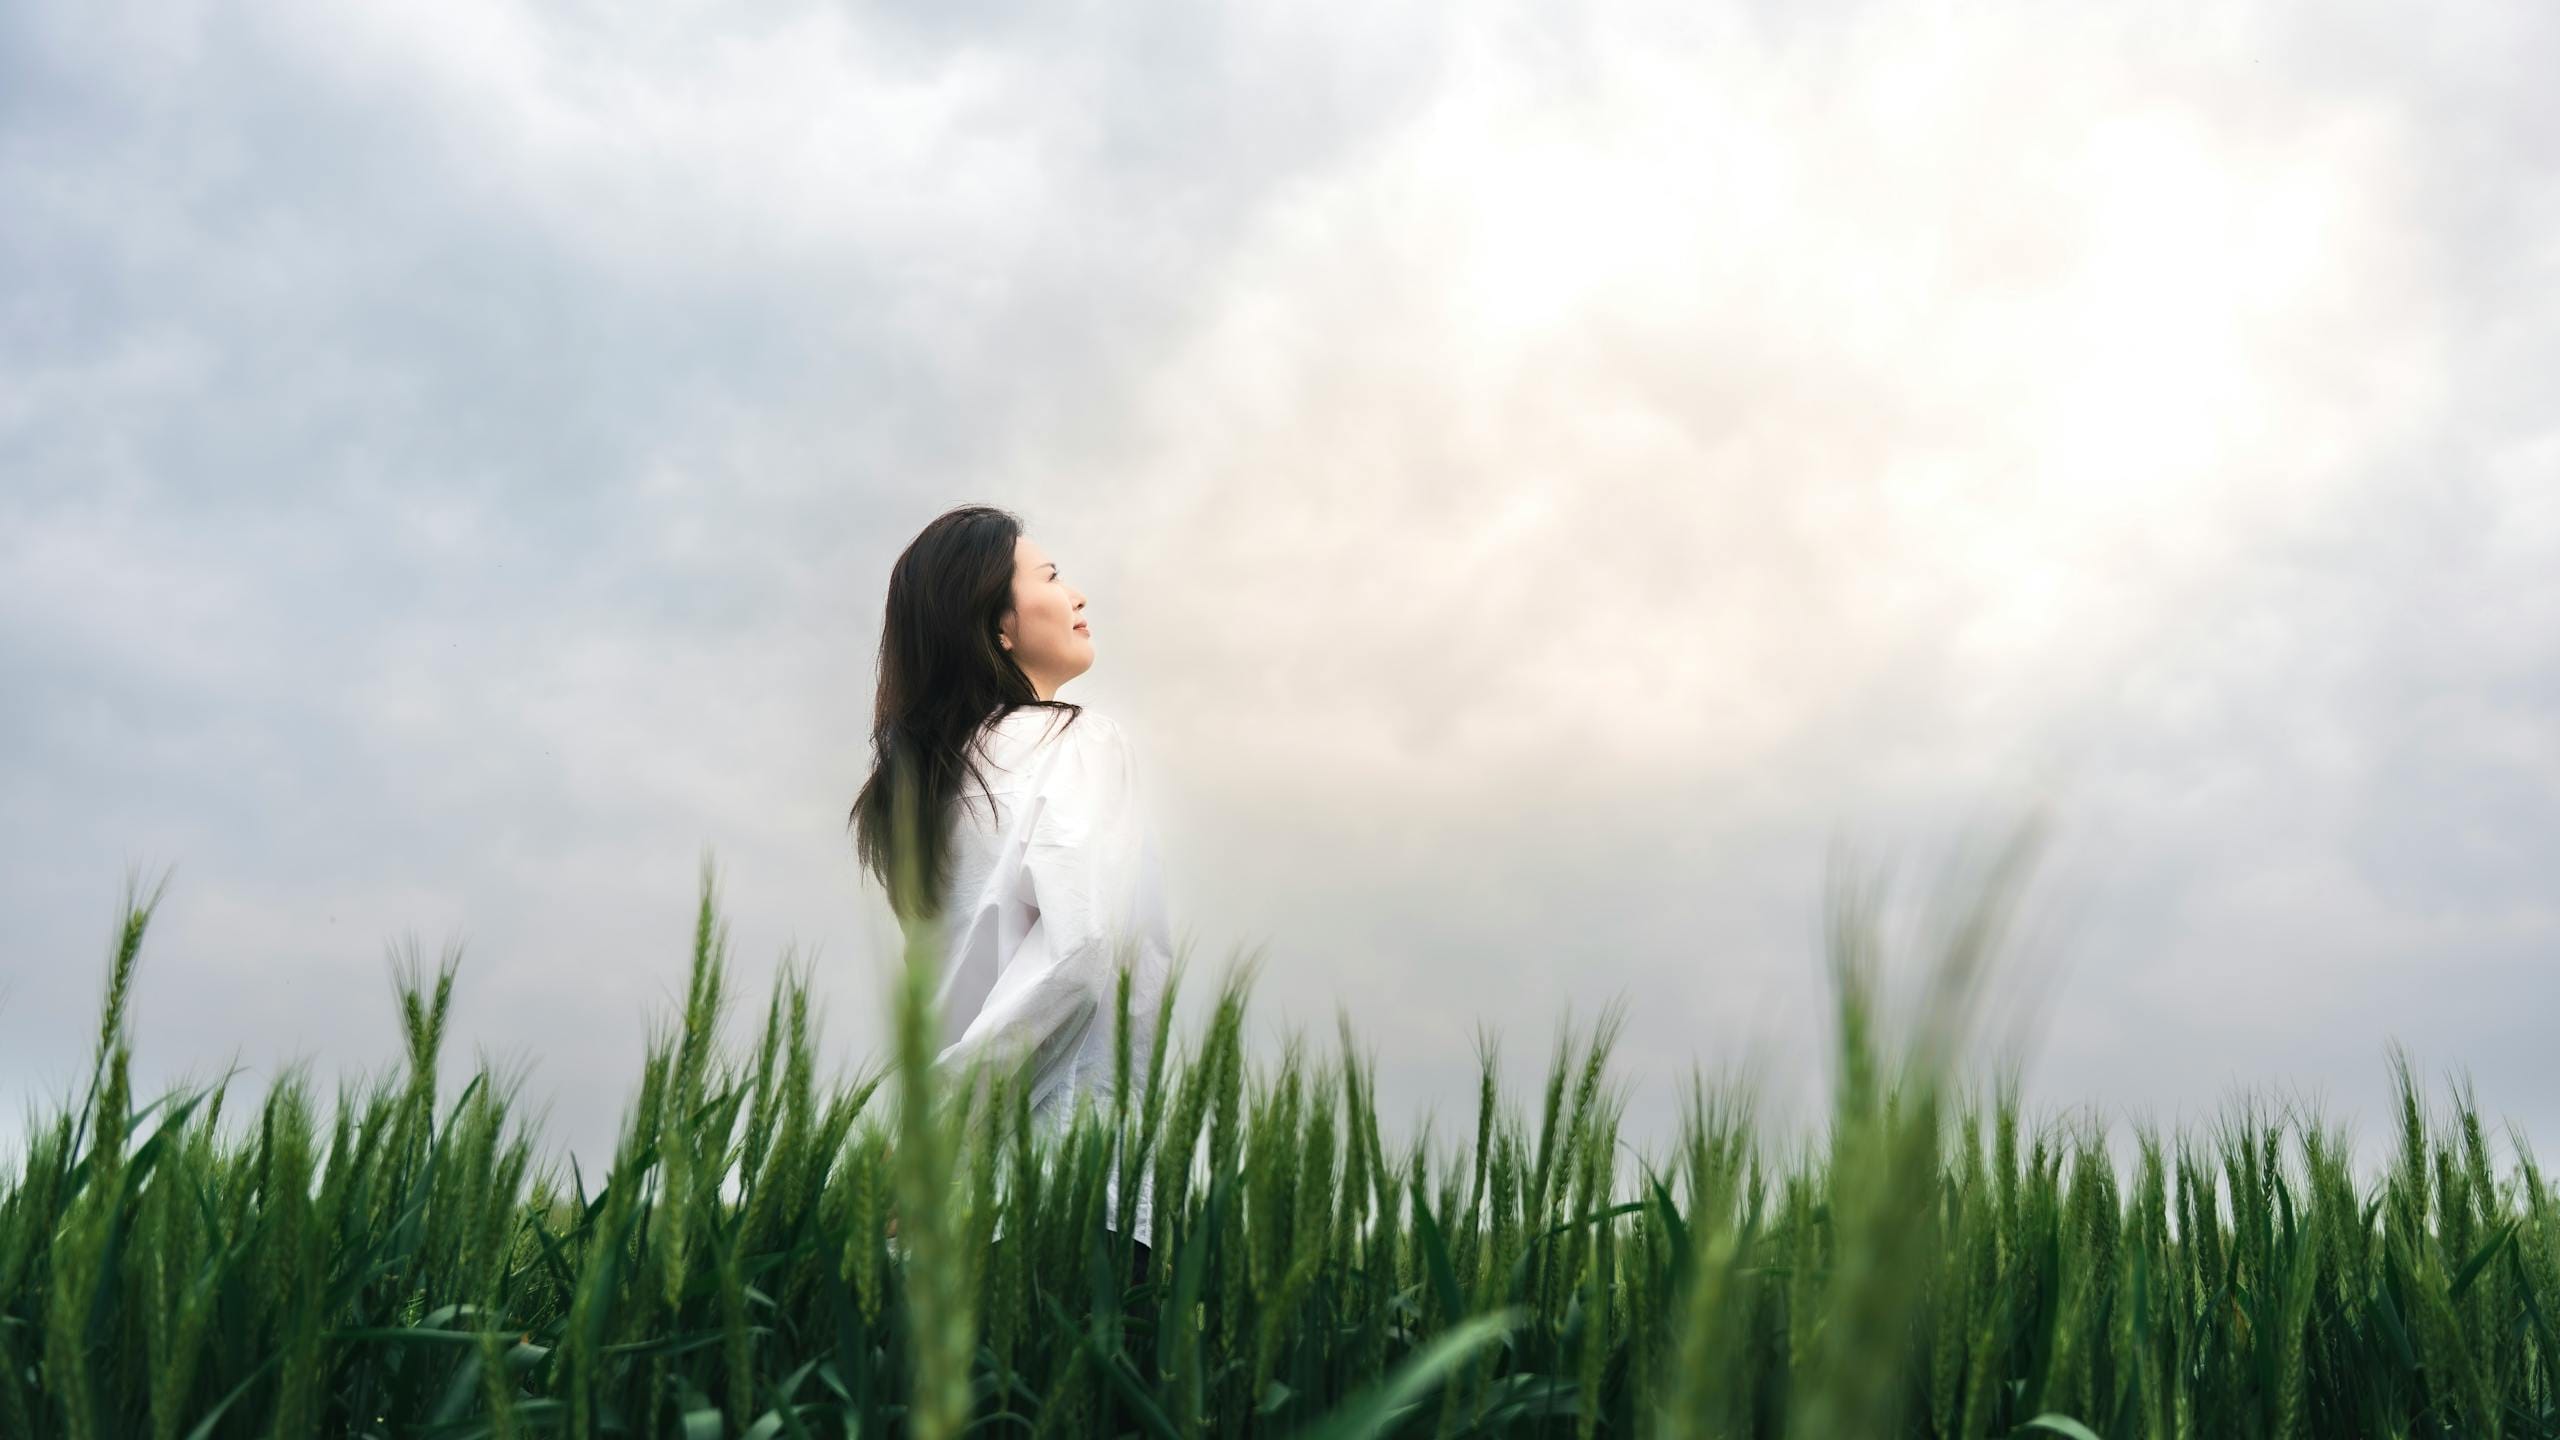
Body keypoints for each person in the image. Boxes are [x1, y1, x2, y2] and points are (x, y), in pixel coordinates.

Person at [849, 504, 1172, 1283]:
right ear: (997, 625)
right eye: (1052, 577)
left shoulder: (925, 789)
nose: (1078, 596)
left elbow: (953, 994)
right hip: (1066, 1187)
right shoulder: (1078, 743)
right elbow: (1079, 949)